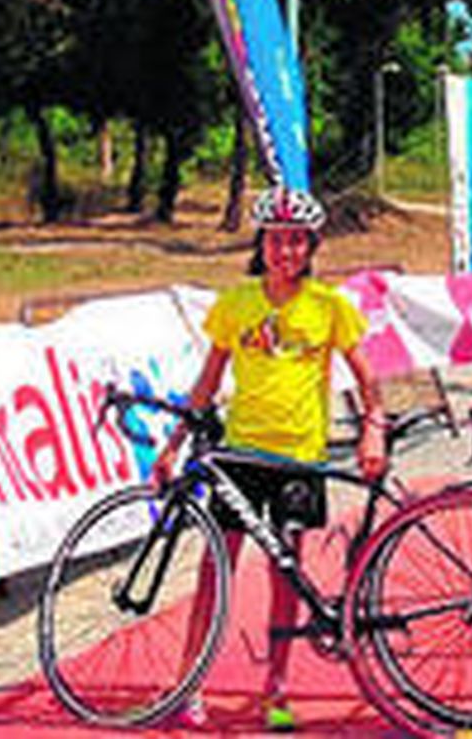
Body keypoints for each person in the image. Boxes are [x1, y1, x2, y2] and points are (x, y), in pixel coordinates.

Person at [151, 186, 388, 732]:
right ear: (263, 243)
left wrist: (373, 430)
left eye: (297, 242)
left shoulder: (330, 307)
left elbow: (368, 380)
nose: (287, 251)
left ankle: (276, 689)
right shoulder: (236, 305)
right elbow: (207, 383)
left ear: (311, 246)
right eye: (278, 241)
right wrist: (171, 446)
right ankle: (189, 683)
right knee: (216, 572)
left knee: (288, 579)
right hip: (238, 458)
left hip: (298, 462)